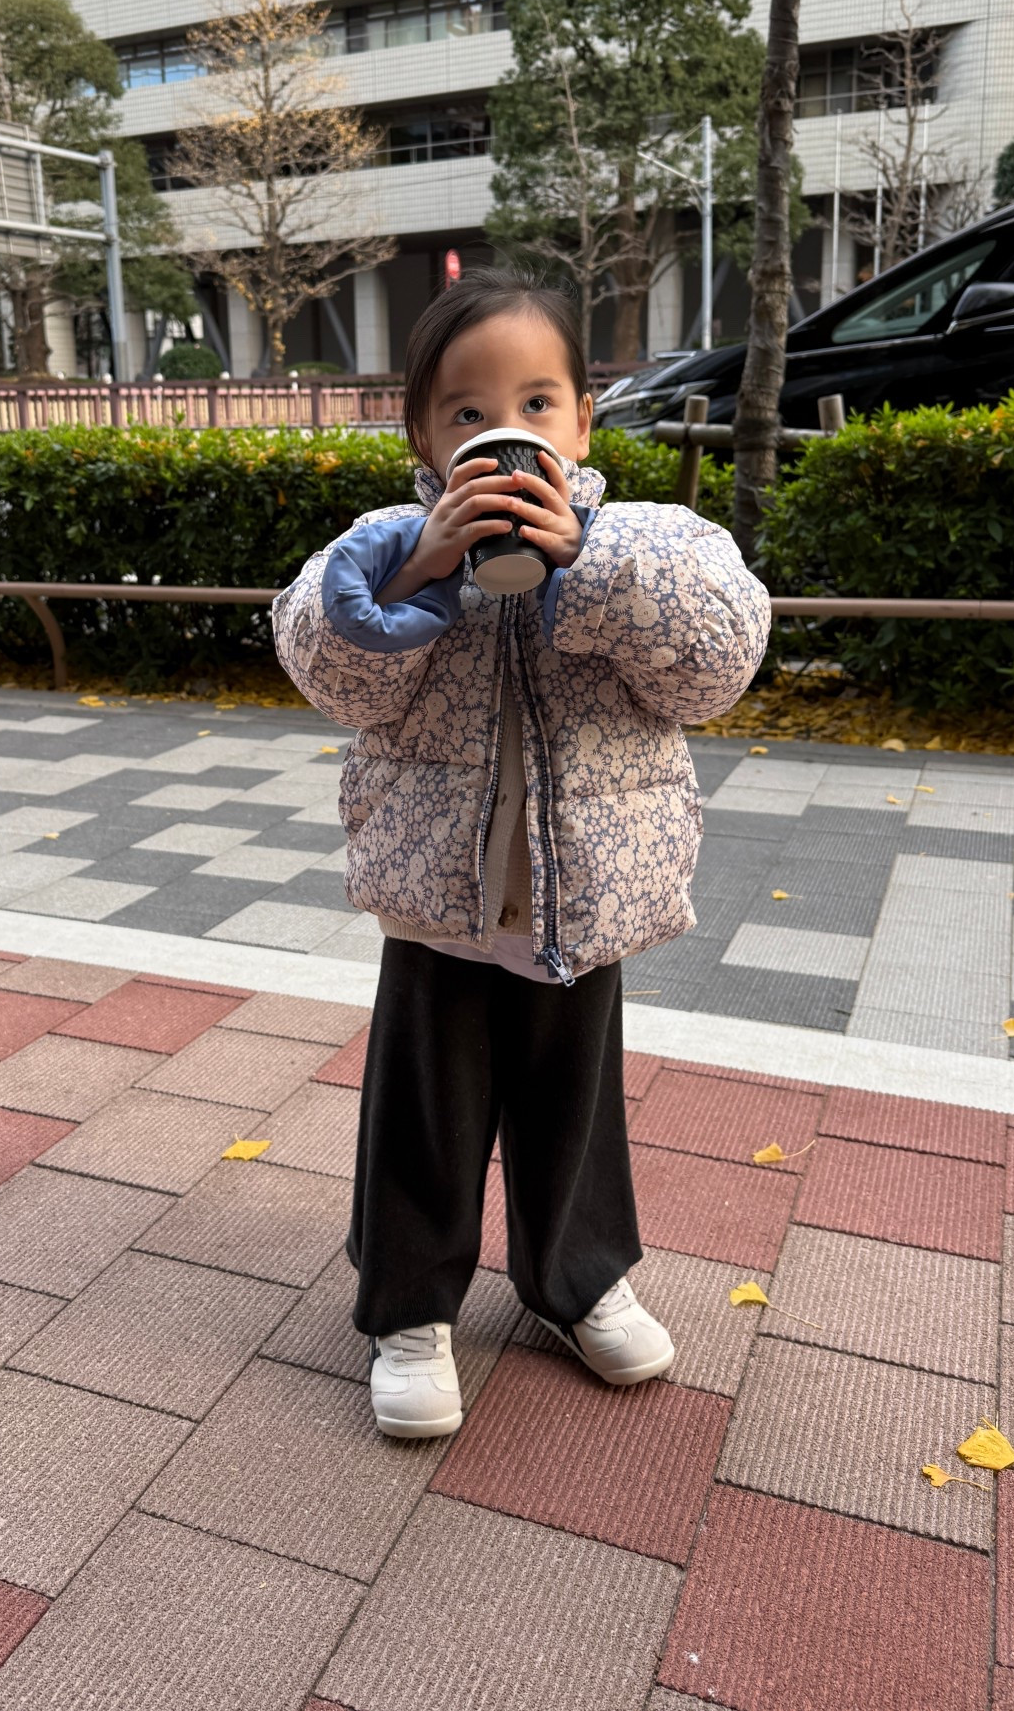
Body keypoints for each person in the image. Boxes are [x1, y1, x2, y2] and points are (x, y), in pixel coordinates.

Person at [273, 266, 771, 1439]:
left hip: (582, 894)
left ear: (584, 422)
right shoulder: (383, 548)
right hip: (438, 899)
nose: (507, 431)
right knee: (423, 1106)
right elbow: (319, 667)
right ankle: (409, 1305)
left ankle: (578, 1274)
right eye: (467, 409)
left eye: (539, 401)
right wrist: (412, 577)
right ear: (421, 434)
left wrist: (588, 566)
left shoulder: (651, 541)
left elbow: (720, 660)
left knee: (574, 1102)